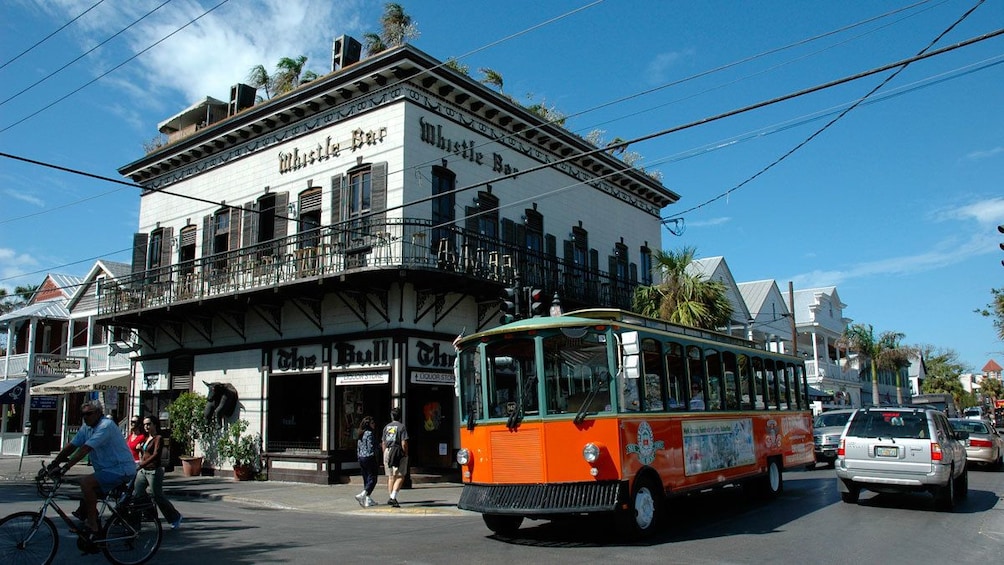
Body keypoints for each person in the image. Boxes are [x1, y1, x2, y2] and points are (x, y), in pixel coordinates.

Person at [46, 399, 137, 534]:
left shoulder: (105, 426)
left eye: (89, 414)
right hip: (106, 470)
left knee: (86, 483)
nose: (85, 417)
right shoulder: (87, 427)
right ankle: (92, 522)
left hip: (121, 469)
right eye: (83, 414)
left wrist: (65, 468)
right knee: (87, 491)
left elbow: (85, 449)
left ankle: (93, 525)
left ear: (98, 413)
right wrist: (53, 464)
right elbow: (72, 446)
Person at [134, 417, 183, 529]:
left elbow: (156, 455)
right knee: (137, 494)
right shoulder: (146, 438)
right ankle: (141, 519)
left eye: (149, 424)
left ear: (155, 425)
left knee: (158, 496)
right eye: (145, 424)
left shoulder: (158, 438)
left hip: (153, 471)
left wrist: (142, 463)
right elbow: (145, 453)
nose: (146, 426)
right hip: (143, 471)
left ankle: (175, 517)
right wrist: (140, 449)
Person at [381, 407, 409, 508]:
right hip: (398, 451)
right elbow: (404, 442)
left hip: (388, 451)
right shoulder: (402, 427)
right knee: (401, 475)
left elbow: (383, 442)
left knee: (391, 476)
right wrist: (405, 453)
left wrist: (385, 452)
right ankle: (393, 496)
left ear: (391, 416)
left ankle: (391, 497)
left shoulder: (386, 427)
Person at [353, 415, 379, 508]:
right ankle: (363, 494)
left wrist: (359, 456)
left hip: (361, 457)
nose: (374, 425)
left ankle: (368, 499)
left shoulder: (360, 433)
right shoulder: (369, 433)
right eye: (372, 423)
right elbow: (370, 446)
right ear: (369, 424)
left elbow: (358, 446)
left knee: (366, 478)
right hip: (369, 457)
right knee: (373, 478)